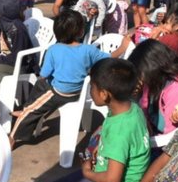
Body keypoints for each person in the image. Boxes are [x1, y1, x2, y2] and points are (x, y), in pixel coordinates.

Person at [39, 58, 150, 182]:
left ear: (105, 94)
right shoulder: (131, 108)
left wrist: (88, 173)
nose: (90, 91)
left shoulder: (119, 131)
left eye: (92, 87)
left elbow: (113, 180)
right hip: (103, 169)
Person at [11, 11, 130, 145]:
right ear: (80, 32)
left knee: (32, 107)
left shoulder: (53, 49)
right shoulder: (88, 50)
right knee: (40, 89)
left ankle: (13, 137)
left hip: (60, 92)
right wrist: (123, 47)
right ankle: (27, 108)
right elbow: (109, 57)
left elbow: (44, 75)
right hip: (80, 92)